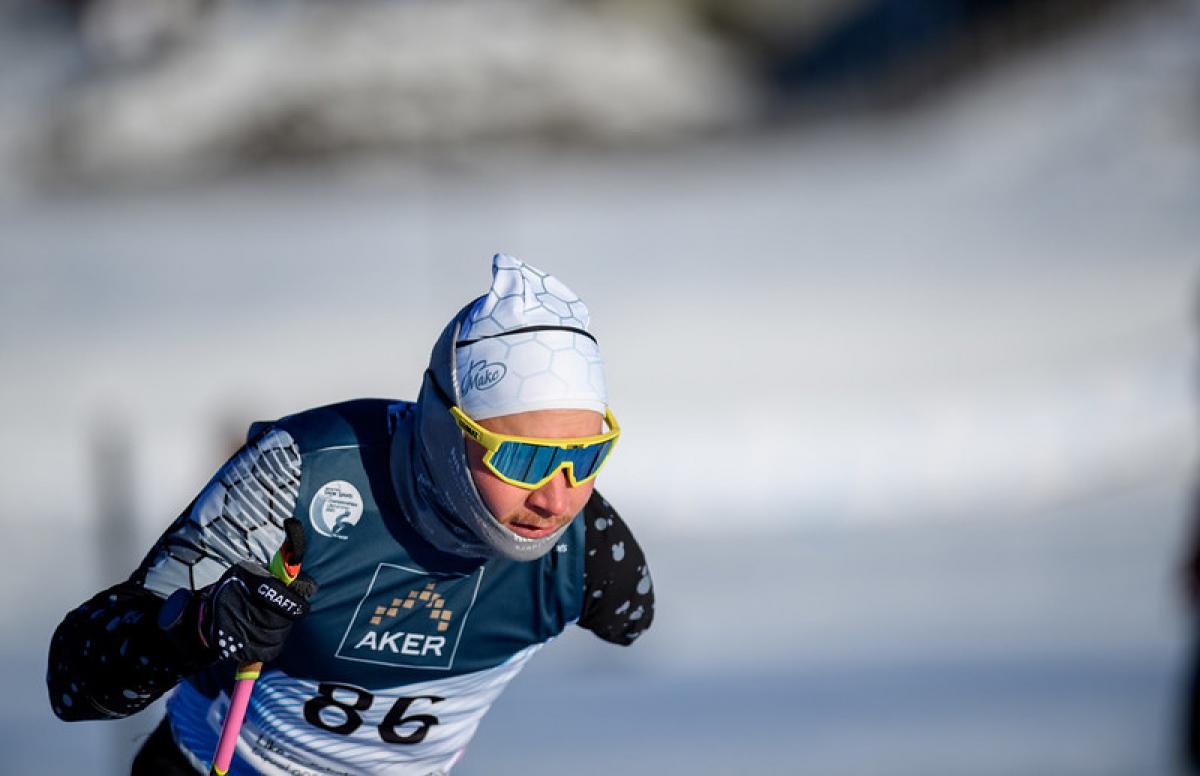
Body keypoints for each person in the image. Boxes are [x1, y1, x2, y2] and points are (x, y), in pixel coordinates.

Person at [47, 254, 654, 775]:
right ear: (446, 432)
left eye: (587, 454)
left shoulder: (584, 547)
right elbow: (75, 682)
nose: (556, 498)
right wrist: (197, 626)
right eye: (521, 458)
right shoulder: (300, 475)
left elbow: (630, 618)